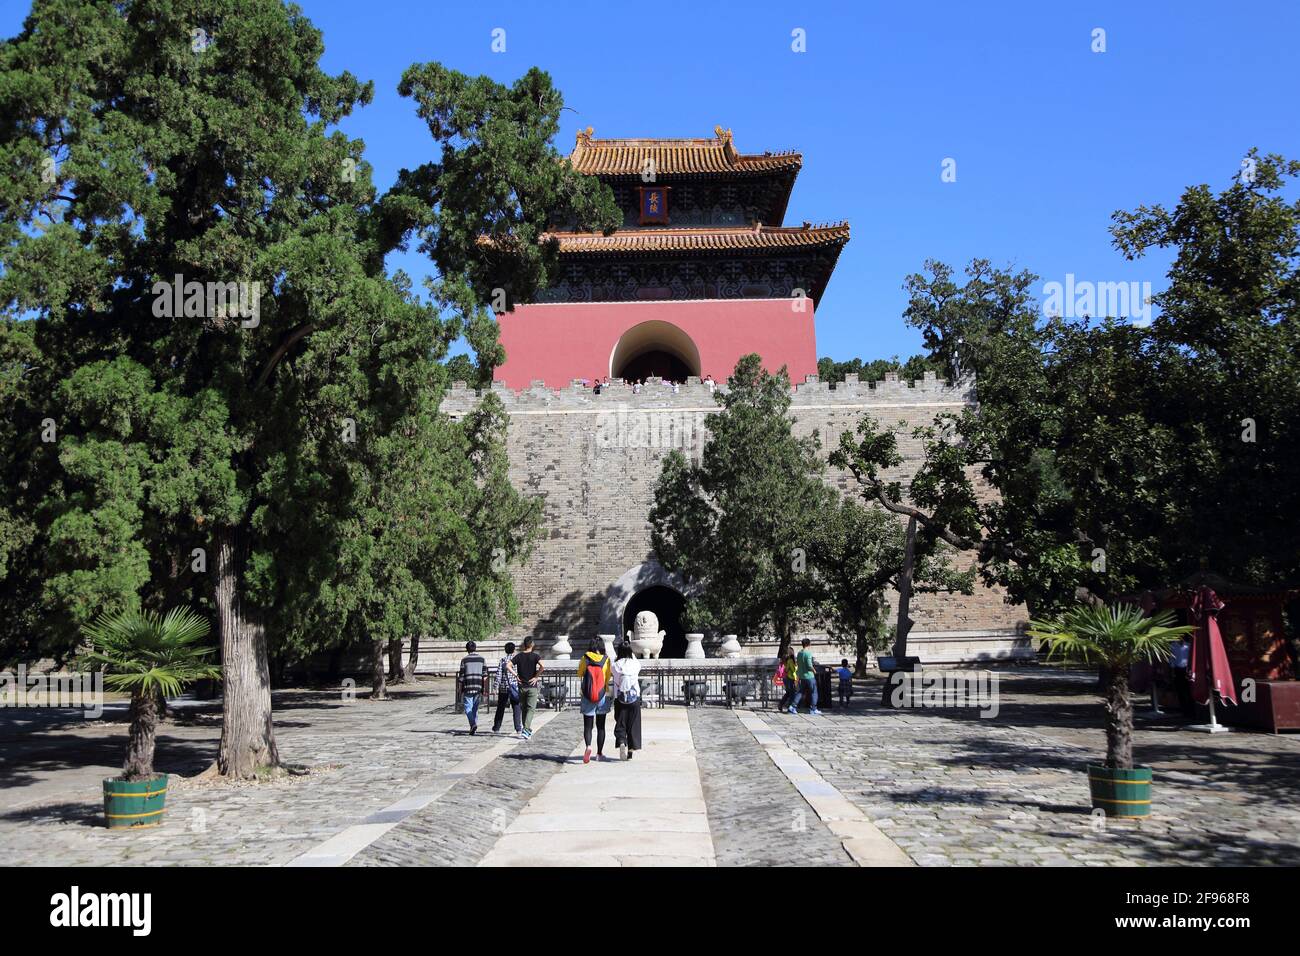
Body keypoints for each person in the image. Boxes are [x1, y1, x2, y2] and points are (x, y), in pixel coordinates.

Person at [576, 636, 613, 763]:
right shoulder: (606, 659)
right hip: (602, 695)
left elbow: (579, 673)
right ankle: (599, 753)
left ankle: (588, 746)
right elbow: (608, 677)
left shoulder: (585, 658)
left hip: (587, 695)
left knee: (588, 726)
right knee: (601, 726)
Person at [611, 641, 643, 761]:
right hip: (634, 699)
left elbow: (613, 670)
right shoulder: (635, 665)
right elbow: (636, 662)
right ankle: (631, 750)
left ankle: (621, 742)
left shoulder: (615, 666)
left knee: (621, 722)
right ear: (630, 652)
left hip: (620, 699)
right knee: (633, 724)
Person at [514, 636, 544, 738]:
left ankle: (525, 729)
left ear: (524, 645)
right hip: (532, 686)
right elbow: (543, 666)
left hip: (522, 686)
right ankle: (526, 729)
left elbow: (508, 665)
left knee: (524, 708)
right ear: (532, 645)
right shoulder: (535, 656)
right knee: (531, 709)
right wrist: (536, 677)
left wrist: (516, 675)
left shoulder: (519, 656)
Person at [491, 641, 522, 736]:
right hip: (515, 687)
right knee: (516, 707)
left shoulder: (503, 660)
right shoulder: (517, 660)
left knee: (500, 708)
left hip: (504, 687)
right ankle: (518, 728)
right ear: (514, 650)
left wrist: (495, 687)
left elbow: (499, 675)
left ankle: (497, 727)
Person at [456, 641, 487, 734]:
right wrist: (484, 688)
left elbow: (461, 676)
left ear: (467, 649)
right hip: (478, 686)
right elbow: (485, 676)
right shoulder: (482, 659)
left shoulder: (464, 660)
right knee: (475, 708)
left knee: (467, 707)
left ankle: (473, 724)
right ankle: (473, 727)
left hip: (468, 686)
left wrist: (459, 688)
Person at [789, 638, 822, 715]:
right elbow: (809, 665)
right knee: (814, 692)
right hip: (809, 676)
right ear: (809, 644)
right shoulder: (808, 653)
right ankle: (813, 708)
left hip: (802, 676)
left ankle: (793, 706)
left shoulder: (799, 653)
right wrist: (814, 670)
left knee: (801, 692)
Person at [1171, 633, 1194, 717]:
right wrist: (1172, 670)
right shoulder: (1173, 646)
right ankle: (1183, 709)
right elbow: (1172, 659)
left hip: (1187, 669)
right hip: (1178, 669)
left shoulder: (1188, 646)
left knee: (1189, 689)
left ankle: (1192, 709)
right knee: (1180, 690)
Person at [778, 646, 799, 711]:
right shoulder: (791, 660)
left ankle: (782, 704)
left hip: (788, 678)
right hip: (791, 678)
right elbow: (790, 670)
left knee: (789, 692)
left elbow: (786, 669)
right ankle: (790, 707)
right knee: (792, 693)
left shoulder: (786, 659)